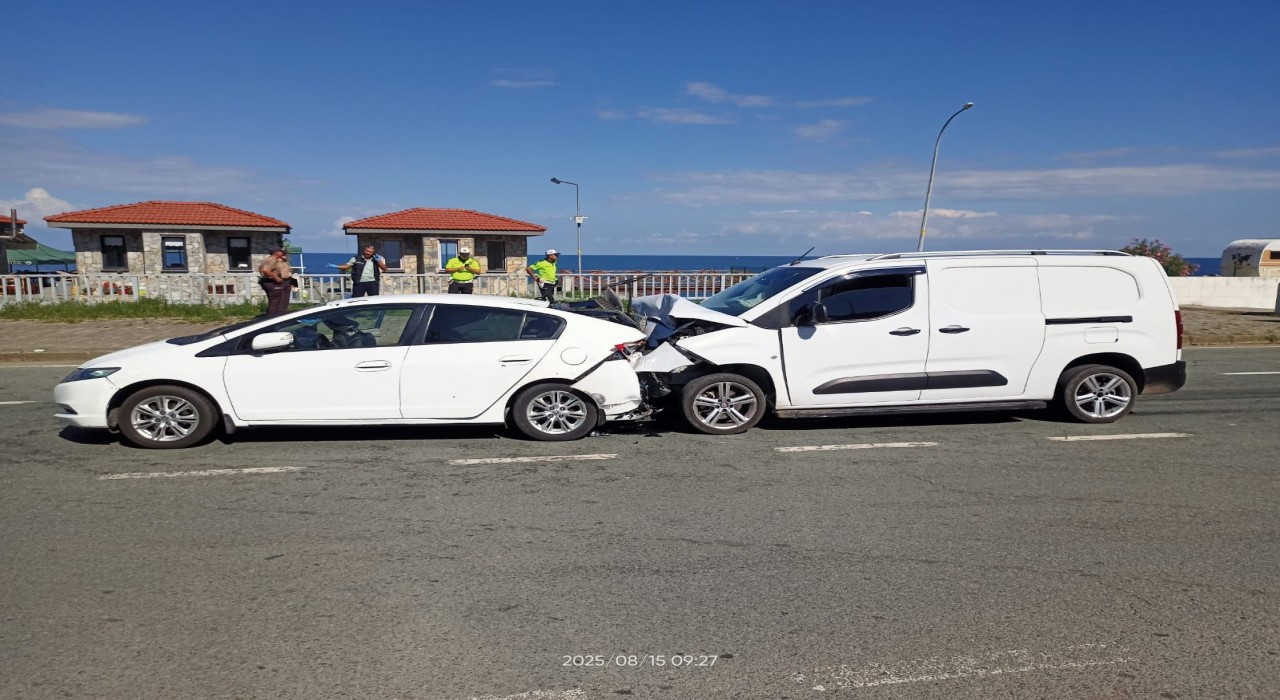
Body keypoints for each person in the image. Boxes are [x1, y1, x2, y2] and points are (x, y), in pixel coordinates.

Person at [258, 247, 294, 316]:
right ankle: (273, 316)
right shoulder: (272, 260)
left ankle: (280, 315)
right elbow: (265, 270)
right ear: (277, 253)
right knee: (276, 301)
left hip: (283, 281)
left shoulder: (279, 260)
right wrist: (276, 278)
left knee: (281, 300)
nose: (283, 253)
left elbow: (287, 272)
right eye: (281, 252)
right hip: (273, 282)